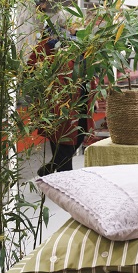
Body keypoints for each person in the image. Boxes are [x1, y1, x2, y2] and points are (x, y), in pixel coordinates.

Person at [28, 15, 90, 176]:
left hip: (80, 96)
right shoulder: (49, 44)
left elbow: (86, 69)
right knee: (63, 139)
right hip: (59, 100)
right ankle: (65, 179)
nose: (79, 27)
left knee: (81, 133)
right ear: (68, 25)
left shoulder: (78, 43)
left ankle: (52, 167)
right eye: (77, 23)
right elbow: (31, 67)